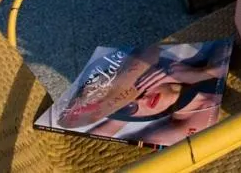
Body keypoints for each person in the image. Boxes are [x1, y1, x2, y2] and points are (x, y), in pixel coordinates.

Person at [74, 40, 232, 146]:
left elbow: (230, 46)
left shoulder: (203, 52)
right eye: (128, 107)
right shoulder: (170, 134)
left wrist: (203, 73)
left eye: (135, 87)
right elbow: (89, 145)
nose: (141, 100)